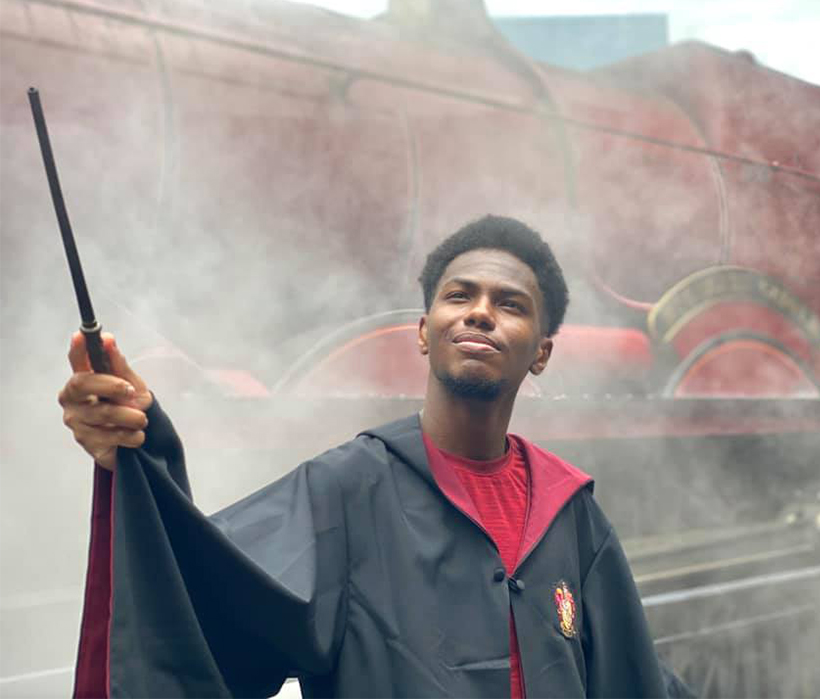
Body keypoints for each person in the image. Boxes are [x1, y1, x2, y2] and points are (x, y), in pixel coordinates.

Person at [59, 215, 686, 698]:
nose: (480, 314)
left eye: (511, 304)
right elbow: (201, 593)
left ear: (542, 353)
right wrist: (139, 451)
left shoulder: (569, 512)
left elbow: (635, 680)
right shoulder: (345, 490)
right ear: (424, 330)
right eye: (459, 295)